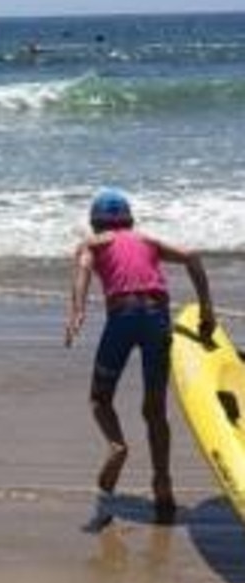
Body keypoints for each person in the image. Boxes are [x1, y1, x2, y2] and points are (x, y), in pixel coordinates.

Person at [64, 188, 215, 523]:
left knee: (100, 399)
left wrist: (77, 310)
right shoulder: (147, 240)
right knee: (155, 410)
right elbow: (192, 255)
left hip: (122, 319)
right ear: (129, 220)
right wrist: (207, 310)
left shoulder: (93, 244)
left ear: (95, 222)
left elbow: (84, 269)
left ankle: (117, 446)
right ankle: (163, 484)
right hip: (157, 319)